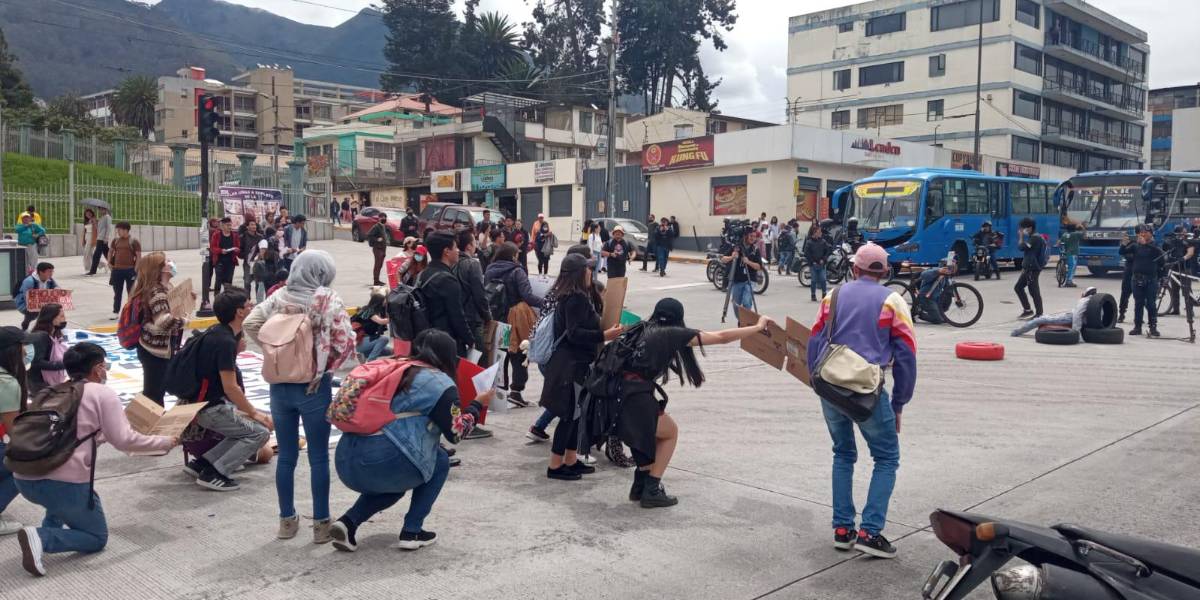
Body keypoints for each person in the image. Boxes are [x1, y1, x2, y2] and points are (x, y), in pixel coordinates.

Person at [13, 342, 177, 577]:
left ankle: (47, 530)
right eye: (105, 366)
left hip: (24, 477)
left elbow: (76, 434)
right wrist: (165, 442)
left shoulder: (52, 392)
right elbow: (124, 441)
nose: (106, 371)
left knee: (61, 497)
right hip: (62, 484)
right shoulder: (102, 393)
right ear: (98, 369)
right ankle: (42, 537)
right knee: (96, 537)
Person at [328, 330, 490, 553]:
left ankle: (348, 523)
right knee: (439, 460)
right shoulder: (439, 382)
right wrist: (477, 404)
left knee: (397, 481)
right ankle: (412, 531)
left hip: (346, 460)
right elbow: (456, 433)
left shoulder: (392, 367)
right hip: (381, 462)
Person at [807, 243, 916, 559]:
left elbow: (814, 339)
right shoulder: (893, 301)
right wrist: (899, 403)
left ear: (855, 269)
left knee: (842, 453)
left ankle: (843, 530)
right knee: (886, 458)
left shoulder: (834, 296)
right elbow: (906, 355)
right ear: (885, 271)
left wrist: (816, 381)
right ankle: (870, 532)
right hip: (867, 392)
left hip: (830, 386)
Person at [611, 299, 774, 507]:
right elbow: (722, 337)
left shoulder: (641, 328)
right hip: (635, 397)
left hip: (617, 395)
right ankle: (651, 489)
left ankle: (640, 485)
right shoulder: (671, 333)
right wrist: (758, 326)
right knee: (669, 433)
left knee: (647, 436)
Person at [245, 252, 354, 542]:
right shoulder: (327, 299)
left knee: (286, 457)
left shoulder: (279, 296)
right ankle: (321, 525)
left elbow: (250, 323)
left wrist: (276, 350)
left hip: (280, 386)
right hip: (313, 387)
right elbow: (346, 340)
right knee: (318, 457)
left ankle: (286, 521)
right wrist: (323, 362)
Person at [539, 253, 623, 481]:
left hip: (573, 363)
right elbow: (574, 333)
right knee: (569, 416)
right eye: (587, 268)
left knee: (576, 415)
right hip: (571, 365)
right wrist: (604, 335)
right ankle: (555, 466)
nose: (590, 272)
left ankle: (570, 459)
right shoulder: (575, 298)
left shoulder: (571, 294)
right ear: (579, 272)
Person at [187, 289, 273, 492]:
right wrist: (255, 414)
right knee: (259, 433)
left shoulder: (215, 332)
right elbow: (230, 387)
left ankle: (203, 464)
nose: (252, 307)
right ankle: (215, 473)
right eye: (249, 305)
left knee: (245, 431)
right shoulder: (225, 342)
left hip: (198, 404)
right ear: (239, 312)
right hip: (210, 409)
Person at [485, 242, 544, 408]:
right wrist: (546, 302)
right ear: (512, 256)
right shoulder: (517, 271)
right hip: (516, 319)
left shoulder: (489, 270)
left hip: (497, 319)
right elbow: (527, 295)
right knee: (519, 353)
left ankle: (499, 394)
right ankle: (516, 391)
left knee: (500, 355)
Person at [129, 253, 186, 405]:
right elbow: (164, 322)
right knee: (154, 394)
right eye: (166, 261)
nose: (171, 262)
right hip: (154, 351)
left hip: (157, 348)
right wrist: (184, 320)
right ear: (160, 269)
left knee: (156, 390)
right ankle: (148, 418)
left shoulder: (166, 288)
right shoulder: (157, 293)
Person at [417, 231, 475, 356]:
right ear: (446, 251)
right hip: (445, 343)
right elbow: (457, 316)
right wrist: (470, 340)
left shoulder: (423, 274)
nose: (458, 251)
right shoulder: (447, 280)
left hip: (425, 339)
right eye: (455, 247)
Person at [0, 326, 33, 536]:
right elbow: (15, 432)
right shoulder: (6, 383)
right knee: (25, 466)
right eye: (23, 345)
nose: (27, 350)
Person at [453, 230, 491, 366]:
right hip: (472, 318)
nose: (476, 245)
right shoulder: (473, 264)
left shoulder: (451, 262)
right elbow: (480, 295)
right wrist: (487, 316)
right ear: (469, 246)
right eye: (474, 242)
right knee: (480, 357)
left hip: (455, 317)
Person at [1120, 225, 1165, 337]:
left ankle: (1153, 327)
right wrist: (1124, 243)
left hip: (1151, 279)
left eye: (1146, 232)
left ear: (1151, 234)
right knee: (1138, 303)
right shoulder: (1135, 246)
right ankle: (1137, 327)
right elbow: (1122, 252)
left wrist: (1146, 244)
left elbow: (1162, 259)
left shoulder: (1155, 246)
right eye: (1141, 232)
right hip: (1136, 279)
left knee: (1151, 304)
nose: (1143, 234)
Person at [1012, 287, 1098, 337]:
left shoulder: (1084, 301)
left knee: (1040, 319)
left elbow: (1077, 315)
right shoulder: (1095, 303)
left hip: (1069, 318)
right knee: (1047, 318)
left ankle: (1016, 332)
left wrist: (1076, 333)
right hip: (1071, 316)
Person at [720, 227, 763, 319]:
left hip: (750, 280)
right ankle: (741, 321)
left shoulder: (755, 249)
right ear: (745, 236)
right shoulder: (736, 247)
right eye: (751, 236)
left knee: (747, 302)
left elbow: (759, 266)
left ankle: (746, 321)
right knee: (736, 304)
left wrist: (748, 262)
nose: (753, 238)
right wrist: (731, 257)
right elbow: (723, 259)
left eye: (754, 236)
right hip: (737, 280)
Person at [27, 304, 68, 395]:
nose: (64, 319)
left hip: (51, 380)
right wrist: (64, 364)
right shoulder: (40, 336)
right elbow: (36, 362)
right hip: (40, 383)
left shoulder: (54, 333)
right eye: (61, 316)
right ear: (51, 318)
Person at [1014, 217, 1045, 320]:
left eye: (1023, 228)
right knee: (1018, 287)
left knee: (1034, 291)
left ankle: (1039, 314)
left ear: (1030, 228)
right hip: (1028, 268)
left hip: (1032, 268)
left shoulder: (1035, 238)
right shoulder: (1033, 237)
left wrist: (1021, 236)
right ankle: (1027, 310)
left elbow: (1021, 247)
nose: (1022, 230)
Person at [108, 222, 140, 318]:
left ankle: (131, 312)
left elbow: (138, 256)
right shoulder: (115, 241)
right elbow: (110, 251)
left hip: (130, 270)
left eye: (119, 230)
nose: (118, 232)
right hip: (117, 270)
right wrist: (109, 262)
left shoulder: (134, 241)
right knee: (117, 292)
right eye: (117, 230)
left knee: (131, 293)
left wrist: (135, 270)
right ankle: (115, 312)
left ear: (126, 230)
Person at [352, 288, 392, 362]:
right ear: (378, 303)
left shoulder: (377, 311)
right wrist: (394, 318)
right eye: (383, 302)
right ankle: (370, 361)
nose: (384, 304)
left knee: (390, 351)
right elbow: (381, 321)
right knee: (384, 339)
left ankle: (363, 355)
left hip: (366, 341)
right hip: (359, 342)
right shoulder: (368, 310)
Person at [15, 263, 57, 331]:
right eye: (49, 271)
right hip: (24, 303)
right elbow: (27, 297)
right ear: (41, 272)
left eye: (52, 271)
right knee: (35, 311)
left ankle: (48, 328)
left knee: (54, 309)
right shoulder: (29, 281)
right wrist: (40, 305)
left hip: (42, 302)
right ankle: (26, 324)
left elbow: (56, 288)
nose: (51, 274)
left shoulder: (50, 280)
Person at [1161, 225, 1188, 315]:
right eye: (1183, 232)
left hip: (1184, 268)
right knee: (1174, 290)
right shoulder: (1172, 241)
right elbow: (1164, 247)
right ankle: (1176, 310)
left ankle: (1189, 310)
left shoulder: (1186, 242)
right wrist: (1170, 239)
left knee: (1186, 290)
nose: (1185, 233)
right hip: (1174, 267)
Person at [210, 218, 241, 296]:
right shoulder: (216, 235)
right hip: (219, 261)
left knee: (229, 281)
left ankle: (228, 298)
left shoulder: (234, 235)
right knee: (218, 280)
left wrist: (236, 250)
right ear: (223, 226)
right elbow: (212, 248)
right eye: (227, 225)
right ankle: (217, 297)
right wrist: (221, 251)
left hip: (231, 261)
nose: (229, 227)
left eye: (230, 225)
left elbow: (238, 247)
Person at [804, 224, 833, 302]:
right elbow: (807, 253)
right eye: (819, 232)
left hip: (822, 264)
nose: (820, 233)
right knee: (813, 280)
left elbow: (828, 250)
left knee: (823, 279)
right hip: (813, 265)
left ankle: (824, 293)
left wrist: (824, 259)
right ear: (814, 232)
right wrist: (812, 261)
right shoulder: (809, 242)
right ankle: (813, 295)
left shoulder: (823, 241)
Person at [198, 218, 219, 311]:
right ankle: (207, 287)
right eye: (215, 221)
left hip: (212, 254)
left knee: (211, 272)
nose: (216, 223)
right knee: (209, 272)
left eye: (217, 222)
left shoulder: (213, 230)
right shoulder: (211, 230)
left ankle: (208, 286)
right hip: (209, 254)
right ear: (211, 222)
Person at [86, 206, 113, 277]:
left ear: (105, 209)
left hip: (103, 239)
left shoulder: (107, 217)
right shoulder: (102, 218)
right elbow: (98, 228)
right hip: (100, 237)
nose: (100, 211)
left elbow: (108, 228)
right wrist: (95, 223)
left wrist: (106, 238)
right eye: (99, 209)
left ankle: (92, 271)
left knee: (96, 255)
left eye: (102, 209)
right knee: (107, 254)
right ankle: (115, 267)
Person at [240, 219, 263, 292]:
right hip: (248, 262)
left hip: (257, 262)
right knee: (247, 282)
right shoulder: (243, 237)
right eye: (252, 225)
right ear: (247, 227)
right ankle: (247, 298)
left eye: (255, 225)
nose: (254, 226)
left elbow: (263, 248)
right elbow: (240, 248)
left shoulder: (260, 237)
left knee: (258, 282)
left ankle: (259, 298)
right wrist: (244, 255)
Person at [367, 212, 390, 286]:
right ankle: (376, 281)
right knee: (377, 265)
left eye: (385, 217)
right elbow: (369, 235)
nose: (384, 218)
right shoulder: (376, 226)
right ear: (379, 218)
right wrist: (377, 239)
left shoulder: (383, 226)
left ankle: (378, 280)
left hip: (383, 248)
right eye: (382, 217)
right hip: (377, 248)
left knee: (380, 265)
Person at [1058, 223, 1084, 288]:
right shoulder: (1076, 234)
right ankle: (1069, 281)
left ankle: (1067, 279)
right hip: (1073, 253)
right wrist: (1082, 227)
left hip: (1065, 253)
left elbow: (1059, 242)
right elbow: (1084, 233)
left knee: (1069, 267)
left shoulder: (1064, 234)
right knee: (1072, 268)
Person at [80, 209, 97, 273]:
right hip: (87, 236)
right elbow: (84, 231)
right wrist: (83, 240)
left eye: (89, 213)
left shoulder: (94, 220)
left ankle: (88, 269)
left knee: (86, 253)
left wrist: (94, 222)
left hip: (92, 236)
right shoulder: (86, 221)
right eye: (86, 214)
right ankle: (102, 265)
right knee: (91, 254)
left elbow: (97, 229)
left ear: (92, 213)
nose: (88, 215)